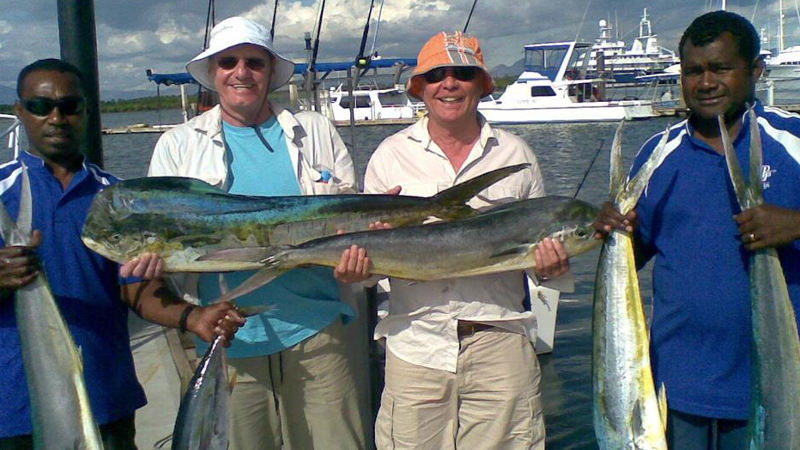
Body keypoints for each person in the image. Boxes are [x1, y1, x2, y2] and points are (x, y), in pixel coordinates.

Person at [148, 17, 370, 450]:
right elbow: (161, 235)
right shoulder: (176, 145)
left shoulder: (316, 131)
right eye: (228, 62)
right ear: (213, 73)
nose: (241, 72)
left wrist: (364, 246)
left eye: (254, 62)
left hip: (318, 330)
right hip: (227, 341)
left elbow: (350, 220)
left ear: (270, 71)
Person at [0, 58, 243, 448]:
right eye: (41, 107)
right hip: (12, 411)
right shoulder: (2, 192)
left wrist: (193, 317)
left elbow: (137, 290)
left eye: (70, 106)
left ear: (85, 111)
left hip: (103, 402)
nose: (56, 118)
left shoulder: (119, 199)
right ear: (20, 112)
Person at [593, 11, 800, 449]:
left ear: (756, 70)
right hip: (673, 394)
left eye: (720, 69)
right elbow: (639, 253)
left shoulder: (792, 140)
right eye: (693, 71)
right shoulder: (657, 153)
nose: (705, 83)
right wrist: (615, 231)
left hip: (780, 393)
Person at [360, 31, 572, 449]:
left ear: (482, 85)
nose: (449, 84)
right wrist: (359, 268)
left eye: (463, 74)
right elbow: (370, 272)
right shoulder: (388, 156)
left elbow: (541, 265)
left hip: (500, 341)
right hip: (415, 343)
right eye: (437, 74)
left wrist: (553, 266)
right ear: (420, 88)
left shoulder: (517, 155)